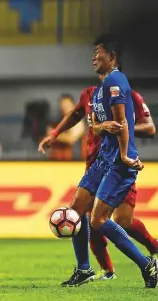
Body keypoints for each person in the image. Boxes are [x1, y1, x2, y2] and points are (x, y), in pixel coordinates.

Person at [40, 34, 157, 287]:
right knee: (76, 208)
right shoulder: (98, 92)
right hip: (102, 159)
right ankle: (84, 269)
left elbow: (123, 123)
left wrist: (125, 154)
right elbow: (100, 126)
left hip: (118, 162)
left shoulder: (116, 82)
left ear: (112, 57)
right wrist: (60, 133)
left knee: (102, 221)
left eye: (98, 52)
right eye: (92, 52)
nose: (93, 57)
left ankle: (147, 263)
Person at [48, 94, 85, 161]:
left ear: (73, 106)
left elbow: (70, 139)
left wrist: (53, 135)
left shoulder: (78, 122)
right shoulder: (60, 123)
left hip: (76, 162)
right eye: (63, 106)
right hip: (59, 161)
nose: (65, 109)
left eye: (67, 105)